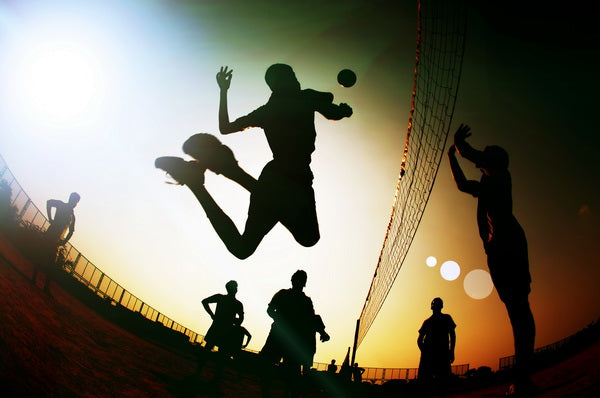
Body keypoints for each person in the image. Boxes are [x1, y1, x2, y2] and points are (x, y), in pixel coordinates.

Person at [155, 64, 353, 259]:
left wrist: (224, 91)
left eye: (293, 74)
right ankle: (207, 181)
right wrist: (342, 111)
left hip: (277, 178)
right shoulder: (303, 98)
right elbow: (331, 109)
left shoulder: (270, 109)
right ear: (277, 83)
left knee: (245, 248)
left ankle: (201, 183)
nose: (295, 78)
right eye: (289, 75)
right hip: (292, 179)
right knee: (308, 239)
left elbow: (225, 127)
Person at [448, 123, 536, 396]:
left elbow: (474, 161)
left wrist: (460, 146)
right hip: (499, 248)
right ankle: (523, 377)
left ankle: (523, 378)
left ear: (494, 160)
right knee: (515, 308)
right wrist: (452, 156)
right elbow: (463, 184)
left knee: (519, 308)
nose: (481, 158)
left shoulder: (500, 175)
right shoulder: (489, 182)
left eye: (486, 154)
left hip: (508, 244)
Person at [260, 270, 330, 397]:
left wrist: (322, 332)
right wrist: (279, 319)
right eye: (296, 279)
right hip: (278, 334)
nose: (298, 282)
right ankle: (265, 392)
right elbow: (270, 309)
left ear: (304, 283)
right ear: (292, 280)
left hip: (294, 340)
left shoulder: (306, 301)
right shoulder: (282, 294)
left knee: (291, 372)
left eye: (301, 280)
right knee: (267, 365)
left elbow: (312, 318)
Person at [32, 192, 80, 293]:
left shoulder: (72, 216)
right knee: (42, 256)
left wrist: (63, 241)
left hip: (57, 240)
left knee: (52, 263)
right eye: (74, 200)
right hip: (51, 235)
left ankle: (45, 286)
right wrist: (50, 218)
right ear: (70, 199)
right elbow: (49, 202)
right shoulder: (62, 205)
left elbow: (72, 231)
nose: (74, 203)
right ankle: (34, 278)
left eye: (76, 201)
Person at [417, 297, 456, 396]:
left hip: (440, 355)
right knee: (435, 385)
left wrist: (451, 351)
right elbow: (452, 335)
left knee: (441, 384)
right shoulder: (430, 321)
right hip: (438, 355)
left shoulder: (444, 318)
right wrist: (451, 351)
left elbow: (419, 340)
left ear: (432, 307)